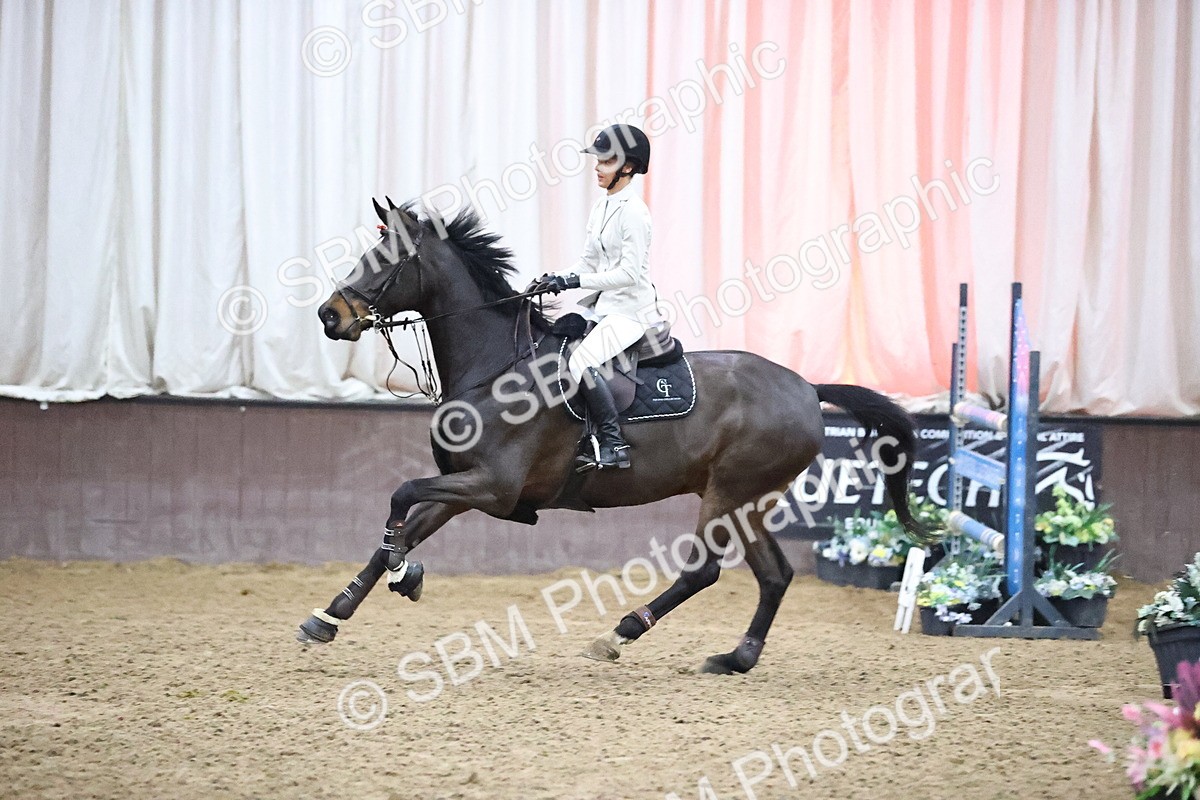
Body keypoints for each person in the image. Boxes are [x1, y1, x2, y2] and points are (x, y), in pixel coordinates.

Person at [535, 124, 659, 473]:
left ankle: (614, 444)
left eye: (605, 161)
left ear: (628, 167)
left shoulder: (634, 213)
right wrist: (558, 278)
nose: (597, 168)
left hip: (630, 312)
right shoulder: (602, 207)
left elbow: (629, 273)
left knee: (580, 363)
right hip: (605, 310)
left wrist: (577, 280)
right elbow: (588, 261)